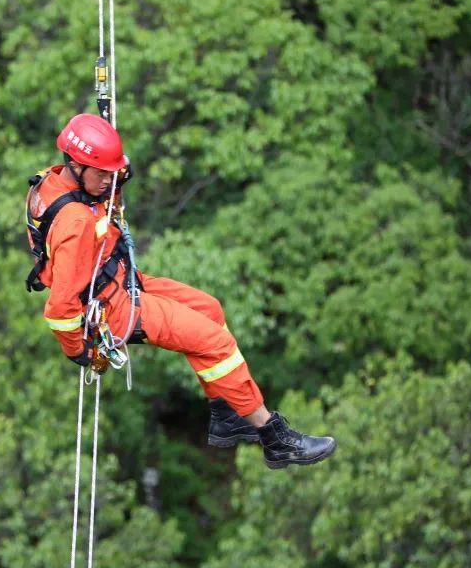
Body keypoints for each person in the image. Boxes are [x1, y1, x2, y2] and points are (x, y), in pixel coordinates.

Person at [27, 113, 335, 469]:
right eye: (102, 175)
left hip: (118, 278)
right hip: (111, 309)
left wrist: (109, 173)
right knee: (217, 345)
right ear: (76, 165)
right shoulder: (74, 222)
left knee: (210, 310)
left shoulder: (52, 182)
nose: (110, 182)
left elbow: (92, 204)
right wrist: (80, 349)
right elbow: (59, 309)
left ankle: (227, 415)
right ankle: (273, 437)